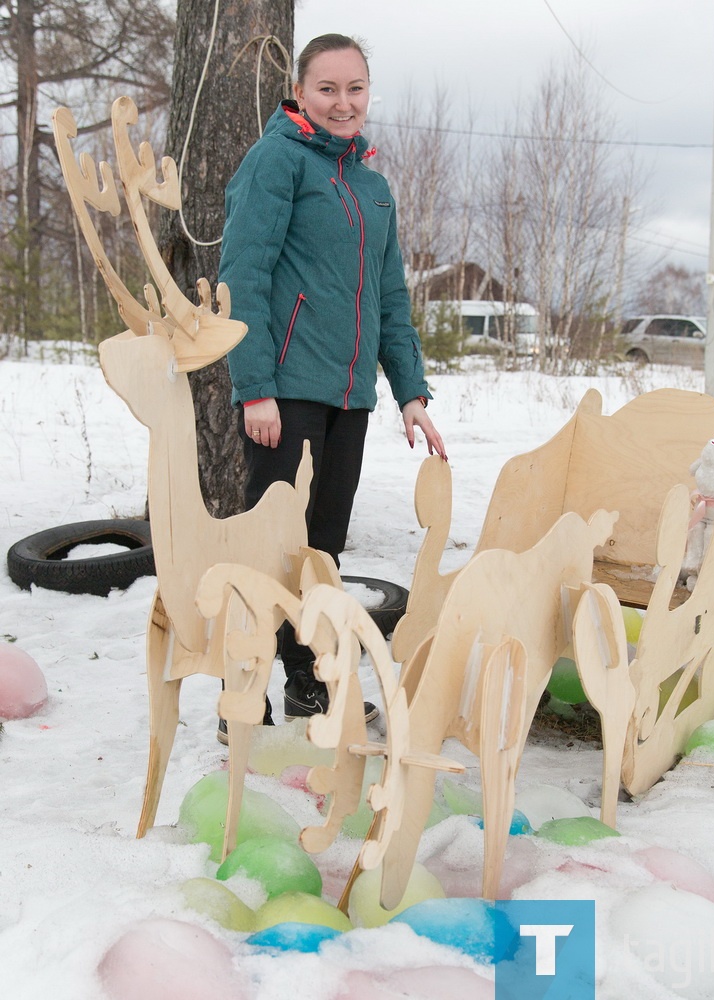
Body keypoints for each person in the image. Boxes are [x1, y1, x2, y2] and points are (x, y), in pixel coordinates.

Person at [217, 32, 447, 741]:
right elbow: (243, 275)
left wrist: (409, 391)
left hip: (350, 398)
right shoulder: (276, 161)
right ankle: (242, 690)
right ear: (301, 91)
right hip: (283, 392)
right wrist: (254, 383)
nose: (343, 103)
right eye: (328, 89)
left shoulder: (371, 188)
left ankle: (308, 685)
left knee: (323, 549)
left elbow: (389, 298)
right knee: (270, 548)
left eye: (354, 89)